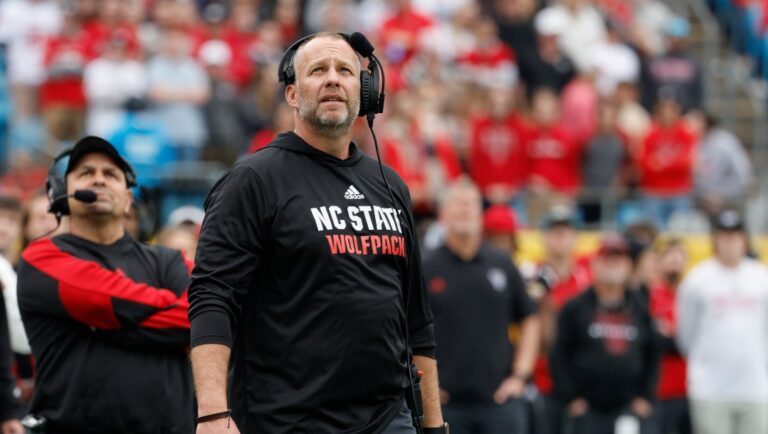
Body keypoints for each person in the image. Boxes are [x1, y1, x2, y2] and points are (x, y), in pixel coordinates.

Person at [188, 32, 445, 434]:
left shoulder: (391, 185)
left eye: (345, 70)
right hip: (287, 420)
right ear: (292, 95)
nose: (333, 79)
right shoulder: (252, 180)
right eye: (318, 70)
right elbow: (212, 299)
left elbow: (417, 321)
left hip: (388, 419)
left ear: (365, 93)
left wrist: (433, 425)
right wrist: (212, 413)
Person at [16, 136, 193, 433]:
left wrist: (106, 326)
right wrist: (171, 326)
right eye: (86, 173)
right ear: (61, 193)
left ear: (128, 199)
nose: (99, 180)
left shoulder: (171, 260)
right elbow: (107, 300)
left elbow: (203, 316)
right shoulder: (41, 257)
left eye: (111, 174)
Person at [424, 179, 539, 434]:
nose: (464, 210)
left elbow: (530, 319)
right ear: (443, 214)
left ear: (480, 213)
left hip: (500, 404)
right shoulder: (426, 267)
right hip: (446, 405)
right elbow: (406, 330)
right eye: (458, 204)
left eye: (471, 204)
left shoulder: (502, 264)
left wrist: (520, 377)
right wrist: (426, 388)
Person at [551, 235, 659, 434]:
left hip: (629, 408)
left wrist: (646, 396)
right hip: (587, 410)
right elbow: (559, 354)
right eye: (607, 259)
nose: (613, 265)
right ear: (596, 265)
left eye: (618, 260)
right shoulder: (575, 307)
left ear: (629, 266)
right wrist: (570, 397)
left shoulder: (640, 308)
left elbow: (652, 354)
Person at [676, 210, 768, 434]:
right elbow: (686, 335)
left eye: (735, 236)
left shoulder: (762, 277)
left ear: (745, 240)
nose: (730, 243)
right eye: (724, 236)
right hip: (710, 388)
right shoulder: (697, 279)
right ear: (715, 239)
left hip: (755, 387)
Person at [649, 237, 691, 434]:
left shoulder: (691, 296)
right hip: (659, 392)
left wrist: (673, 334)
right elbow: (656, 341)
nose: (675, 260)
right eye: (669, 254)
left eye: (680, 255)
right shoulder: (649, 296)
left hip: (690, 390)